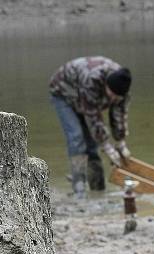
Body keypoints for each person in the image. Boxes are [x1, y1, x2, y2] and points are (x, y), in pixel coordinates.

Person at [49, 56, 132, 198]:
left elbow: (119, 115)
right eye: (111, 94)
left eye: (116, 98)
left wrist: (120, 143)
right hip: (63, 93)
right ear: (106, 84)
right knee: (77, 137)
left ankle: (98, 190)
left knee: (92, 146)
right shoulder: (92, 80)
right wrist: (107, 147)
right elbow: (93, 117)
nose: (112, 99)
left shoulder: (122, 87)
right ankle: (79, 189)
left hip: (85, 97)